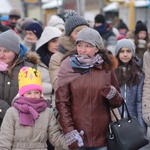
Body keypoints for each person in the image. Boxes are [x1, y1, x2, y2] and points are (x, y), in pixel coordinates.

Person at [56, 27, 122, 150]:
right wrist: (69, 130)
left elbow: (118, 102)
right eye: (79, 45)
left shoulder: (106, 67)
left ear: (97, 48)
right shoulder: (68, 66)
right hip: (78, 135)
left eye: (88, 46)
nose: (82, 50)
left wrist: (112, 94)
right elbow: (62, 102)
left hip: (102, 136)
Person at [0, 66, 68, 150]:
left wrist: (72, 143)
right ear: (22, 94)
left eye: (36, 92)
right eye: (28, 93)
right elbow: (5, 138)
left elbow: (55, 136)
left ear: (40, 94)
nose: (33, 96)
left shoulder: (47, 112)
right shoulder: (12, 112)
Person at [0, 29, 40, 126]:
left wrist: (16, 113)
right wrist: (5, 110)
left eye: (6, 51)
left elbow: (33, 96)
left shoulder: (28, 68)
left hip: (21, 123)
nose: (1, 55)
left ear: (15, 52)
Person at [49, 10, 89, 91]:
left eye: (85, 31)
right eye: (77, 32)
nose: (82, 35)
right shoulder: (57, 58)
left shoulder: (96, 55)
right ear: (69, 35)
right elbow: (58, 86)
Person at [115, 39, 147, 133]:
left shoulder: (138, 74)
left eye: (128, 51)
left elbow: (139, 101)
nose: (125, 54)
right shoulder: (112, 73)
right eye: (122, 51)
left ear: (132, 53)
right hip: (116, 121)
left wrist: (141, 126)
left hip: (133, 120)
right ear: (117, 53)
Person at [36, 26, 62, 108]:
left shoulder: (68, 61)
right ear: (46, 43)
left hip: (61, 106)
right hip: (42, 106)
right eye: (54, 41)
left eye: (60, 41)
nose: (57, 45)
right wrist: (52, 88)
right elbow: (32, 85)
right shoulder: (35, 63)